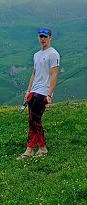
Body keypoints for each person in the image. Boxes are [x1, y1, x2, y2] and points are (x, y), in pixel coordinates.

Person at [18, 28, 60, 159]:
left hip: (43, 92)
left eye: (45, 36)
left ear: (50, 37)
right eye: (41, 36)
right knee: (32, 120)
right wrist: (28, 90)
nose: (42, 39)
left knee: (35, 120)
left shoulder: (53, 54)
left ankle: (40, 148)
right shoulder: (36, 55)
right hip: (34, 91)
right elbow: (34, 74)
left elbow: (54, 75)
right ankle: (32, 149)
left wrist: (49, 95)